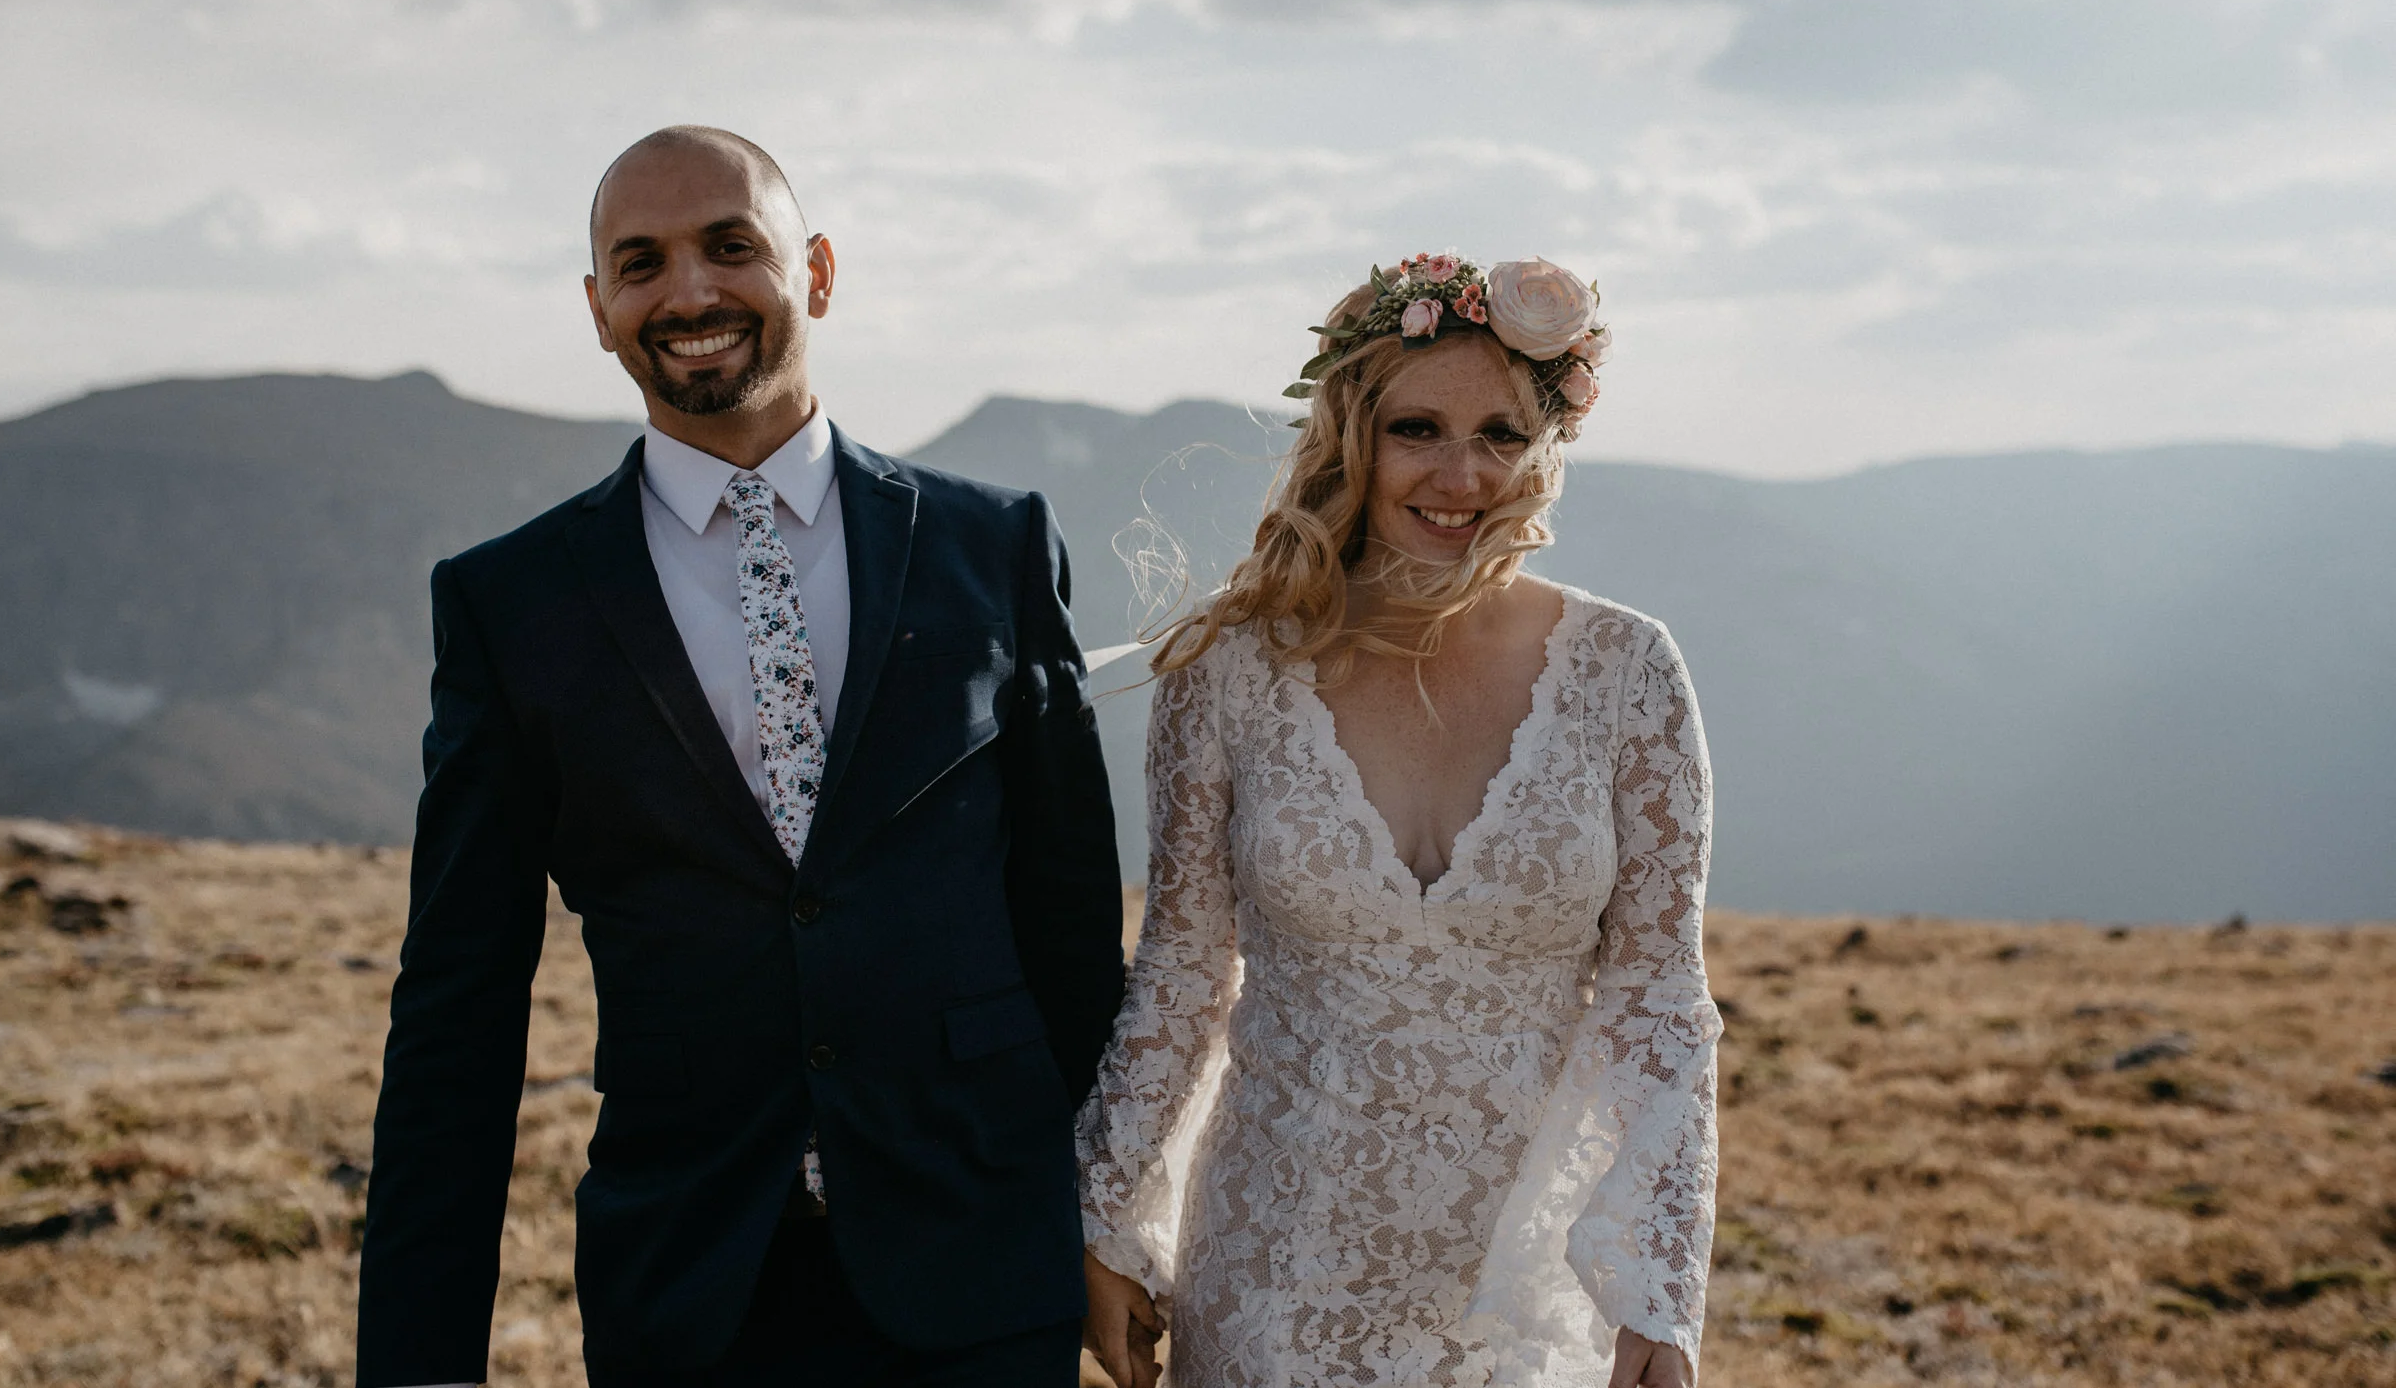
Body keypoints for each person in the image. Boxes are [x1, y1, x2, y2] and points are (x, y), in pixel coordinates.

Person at [355, 126, 1127, 1388]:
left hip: (986, 1275)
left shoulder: (994, 546)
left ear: (815, 270)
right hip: (690, 1290)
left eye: (731, 247)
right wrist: (418, 1360)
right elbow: (459, 1006)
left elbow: (1069, 935)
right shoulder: (513, 604)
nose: (690, 293)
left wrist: (1118, 1227)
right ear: (599, 307)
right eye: (641, 262)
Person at [1076, 253, 1719, 1388]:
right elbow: (1181, 970)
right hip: (1274, 1270)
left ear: (1546, 447)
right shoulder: (1229, 670)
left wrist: (1658, 1293)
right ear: (1349, 436)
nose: (1461, 474)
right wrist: (1106, 1214)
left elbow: (1658, 995)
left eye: (1502, 436)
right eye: (1417, 428)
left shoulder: (1627, 670)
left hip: (1523, 1294)